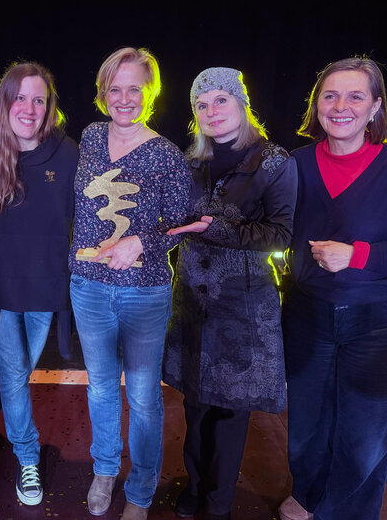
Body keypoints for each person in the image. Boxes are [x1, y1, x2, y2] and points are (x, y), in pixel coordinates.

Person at [278, 57, 387, 520]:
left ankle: (345, 511)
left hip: (379, 323)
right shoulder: (297, 164)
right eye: (329, 95)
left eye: (355, 96)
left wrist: (358, 255)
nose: (341, 105)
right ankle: (310, 494)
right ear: (317, 106)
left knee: (366, 435)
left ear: (375, 108)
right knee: (307, 427)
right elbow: (272, 227)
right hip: (307, 316)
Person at [162, 67, 297, 520]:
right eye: (201, 104)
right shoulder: (189, 162)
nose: (211, 111)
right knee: (195, 405)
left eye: (221, 100)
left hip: (241, 305)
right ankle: (195, 486)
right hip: (192, 303)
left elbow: (279, 235)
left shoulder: (273, 161)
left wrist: (214, 228)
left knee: (230, 411)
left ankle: (218, 504)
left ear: (241, 104)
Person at [69, 47, 191, 520]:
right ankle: (104, 469)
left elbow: (182, 224)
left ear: (151, 92)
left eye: (134, 88)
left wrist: (141, 241)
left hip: (145, 291)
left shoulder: (166, 155)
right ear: (102, 93)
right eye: (114, 88)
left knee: (142, 394)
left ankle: (140, 490)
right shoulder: (91, 137)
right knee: (100, 386)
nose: (124, 98)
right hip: (89, 286)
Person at [0, 61, 78, 505]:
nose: (29, 107)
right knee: (14, 376)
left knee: (19, 372)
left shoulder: (70, 155)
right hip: (3, 288)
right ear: (5, 103)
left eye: (39, 99)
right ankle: (27, 458)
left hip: (48, 286)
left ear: (49, 107)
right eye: (20, 97)